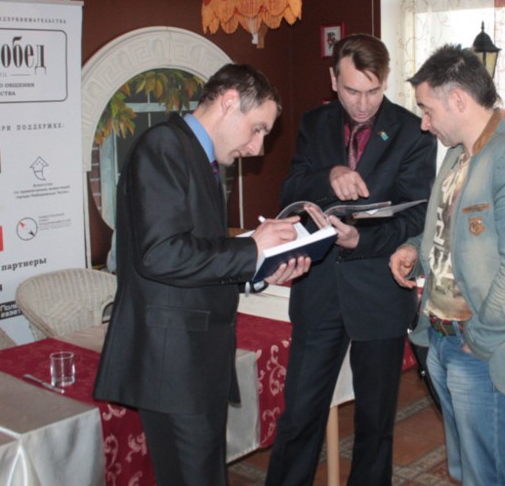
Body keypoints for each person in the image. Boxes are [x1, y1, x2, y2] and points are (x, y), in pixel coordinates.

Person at [93, 64, 311, 486]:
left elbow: (197, 256)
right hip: (172, 363)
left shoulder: (201, 157)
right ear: (229, 102)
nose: (258, 147)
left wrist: (261, 269)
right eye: (257, 129)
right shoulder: (164, 147)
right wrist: (251, 249)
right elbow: (161, 254)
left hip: (194, 360)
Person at [389, 45, 505, 486]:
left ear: (458, 100)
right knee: (466, 469)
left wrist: (480, 343)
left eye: (427, 109)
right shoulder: (457, 155)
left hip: (480, 347)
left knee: (486, 476)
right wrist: (415, 249)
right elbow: (450, 232)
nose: (424, 122)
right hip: (441, 337)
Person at [266, 34, 437, 486]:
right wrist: (329, 175)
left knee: (375, 426)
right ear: (333, 80)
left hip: (379, 293)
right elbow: (290, 190)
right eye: (351, 91)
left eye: (373, 91)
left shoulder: (413, 131)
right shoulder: (314, 122)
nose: (362, 104)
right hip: (319, 291)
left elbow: (417, 217)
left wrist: (360, 238)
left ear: (386, 81)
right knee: (299, 417)